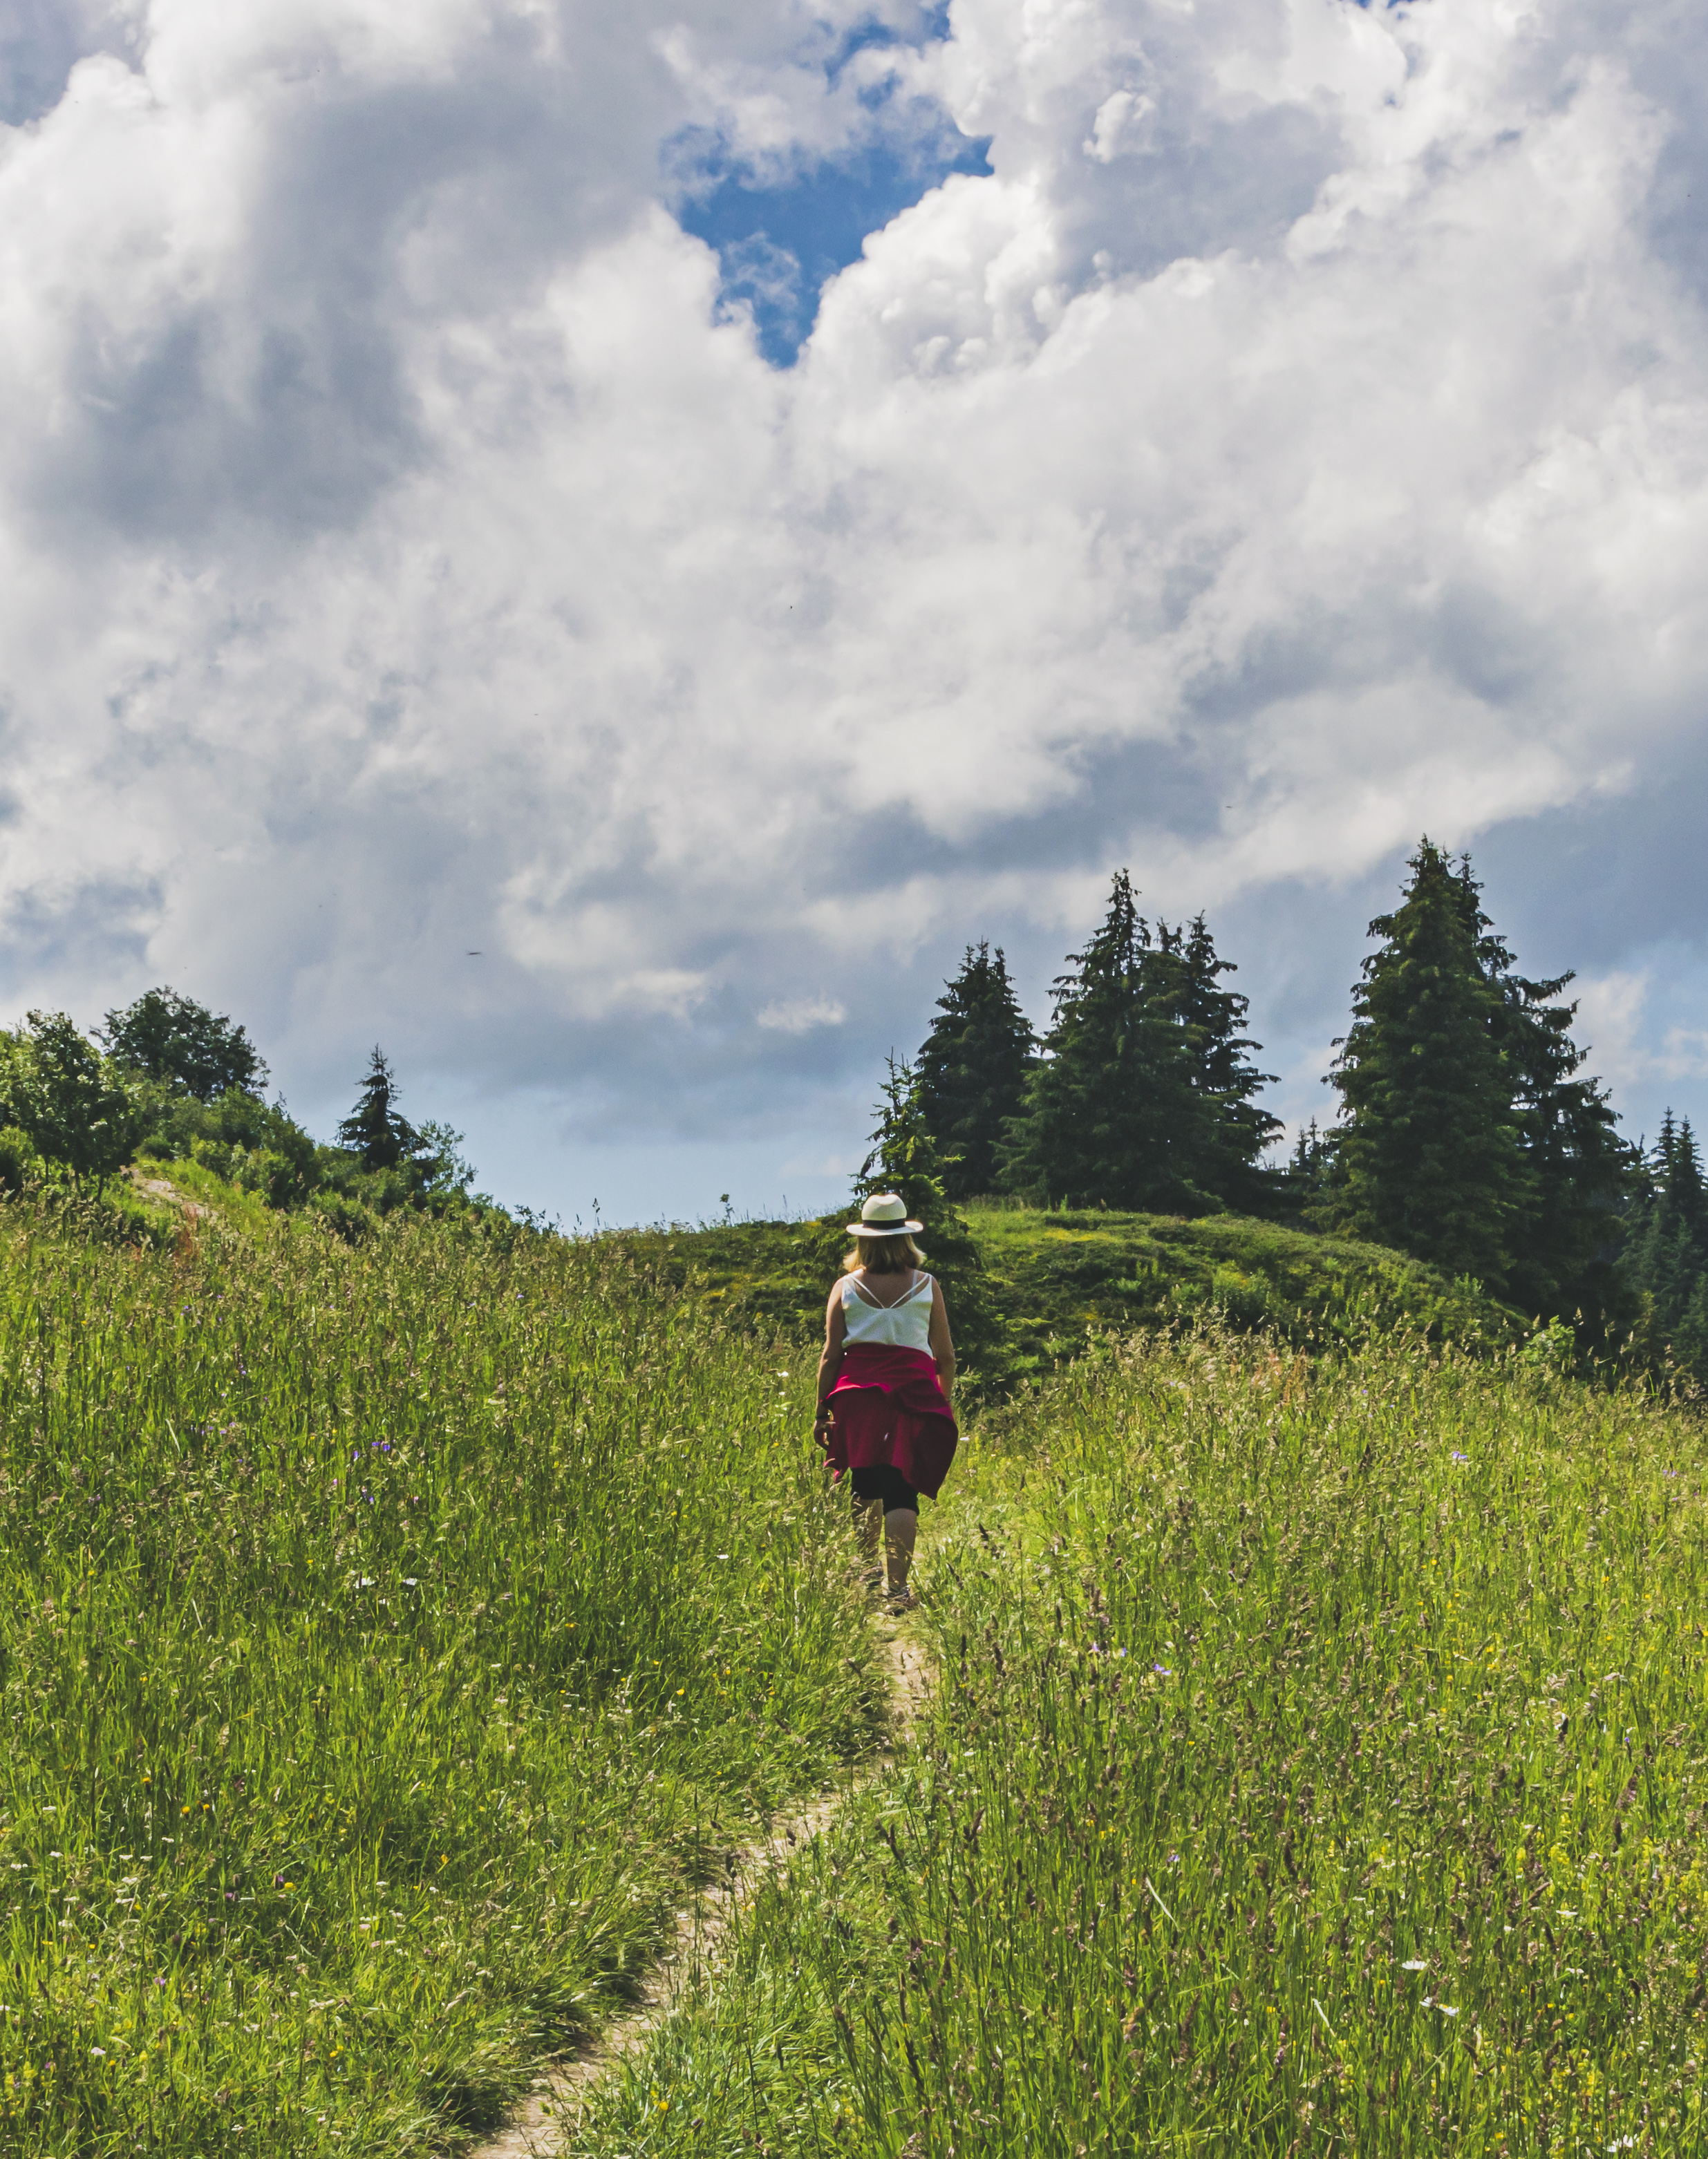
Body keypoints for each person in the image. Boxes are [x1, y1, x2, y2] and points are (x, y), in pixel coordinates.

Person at [814, 1191, 958, 1612]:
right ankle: (897, 1592)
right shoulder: (927, 1285)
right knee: (901, 1490)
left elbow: (831, 1355)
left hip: (857, 1395)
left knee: (864, 1483)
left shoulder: (846, 1287)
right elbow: (944, 1356)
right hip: (912, 1394)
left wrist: (821, 1412)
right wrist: (939, 1401)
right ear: (905, 1238)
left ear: (864, 1240)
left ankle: (866, 1571)